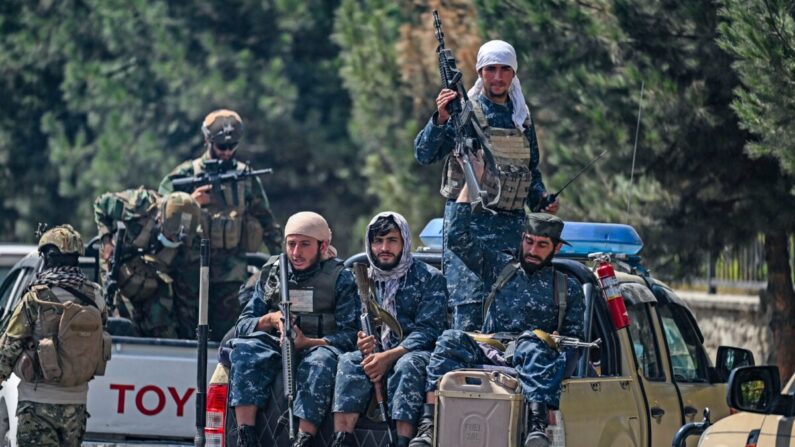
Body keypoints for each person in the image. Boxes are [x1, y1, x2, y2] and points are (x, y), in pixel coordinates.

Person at [409, 176, 583, 447]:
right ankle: (429, 423)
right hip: (491, 348)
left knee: (533, 344)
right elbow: (457, 238)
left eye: (542, 245)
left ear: (557, 248)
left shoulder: (567, 287)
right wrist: (469, 182)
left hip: (533, 357)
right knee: (449, 340)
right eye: (528, 241)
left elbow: (574, 343)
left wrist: (556, 351)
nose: (532, 250)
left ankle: (537, 428)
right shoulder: (499, 266)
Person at [414, 39, 560, 332]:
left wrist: (541, 198)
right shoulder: (463, 115)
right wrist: (440, 119)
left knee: (509, 322)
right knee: (469, 324)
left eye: (505, 69)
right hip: (469, 234)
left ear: (513, 74)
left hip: (512, 236)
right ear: (480, 73)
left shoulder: (521, 119)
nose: (497, 76)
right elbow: (424, 153)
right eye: (490, 69)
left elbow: (529, 171)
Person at [228, 212, 359, 447]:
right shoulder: (272, 274)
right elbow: (242, 325)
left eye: (305, 245)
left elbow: (350, 336)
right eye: (291, 244)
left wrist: (308, 342)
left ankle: (304, 437)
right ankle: (245, 435)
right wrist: (271, 319)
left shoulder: (341, 278)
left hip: (317, 347)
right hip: (277, 345)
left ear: (323, 245)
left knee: (319, 362)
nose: (296, 253)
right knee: (245, 349)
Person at [159, 109, 282, 339]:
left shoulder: (245, 177)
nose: (227, 152)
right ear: (208, 141)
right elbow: (161, 207)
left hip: (230, 272)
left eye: (232, 146)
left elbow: (267, 223)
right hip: (191, 270)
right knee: (188, 333)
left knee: (227, 334)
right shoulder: (186, 174)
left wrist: (282, 261)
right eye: (221, 147)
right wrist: (190, 201)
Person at [331, 212, 447, 447]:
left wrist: (389, 356)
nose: (384, 247)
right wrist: (362, 340)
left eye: (392, 240)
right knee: (349, 362)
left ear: (404, 242)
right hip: (377, 352)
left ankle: (402, 439)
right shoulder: (362, 278)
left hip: (414, 352)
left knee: (409, 365)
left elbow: (429, 330)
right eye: (378, 241)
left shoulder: (430, 278)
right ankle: (343, 438)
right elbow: (350, 324)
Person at [0, 225, 109, 447]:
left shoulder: (36, 298)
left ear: (47, 258)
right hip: (76, 406)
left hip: (37, 404)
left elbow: (9, 347)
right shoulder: (95, 295)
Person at [93, 187, 201, 338]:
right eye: (170, 235)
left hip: (153, 280)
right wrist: (106, 240)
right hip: (117, 270)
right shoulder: (139, 205)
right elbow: (101, 205)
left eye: (178, 239)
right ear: (160, 218)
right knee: (118, 325)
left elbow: (187, 293)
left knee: (165, 332)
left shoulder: (190, 240)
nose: (173, 241)